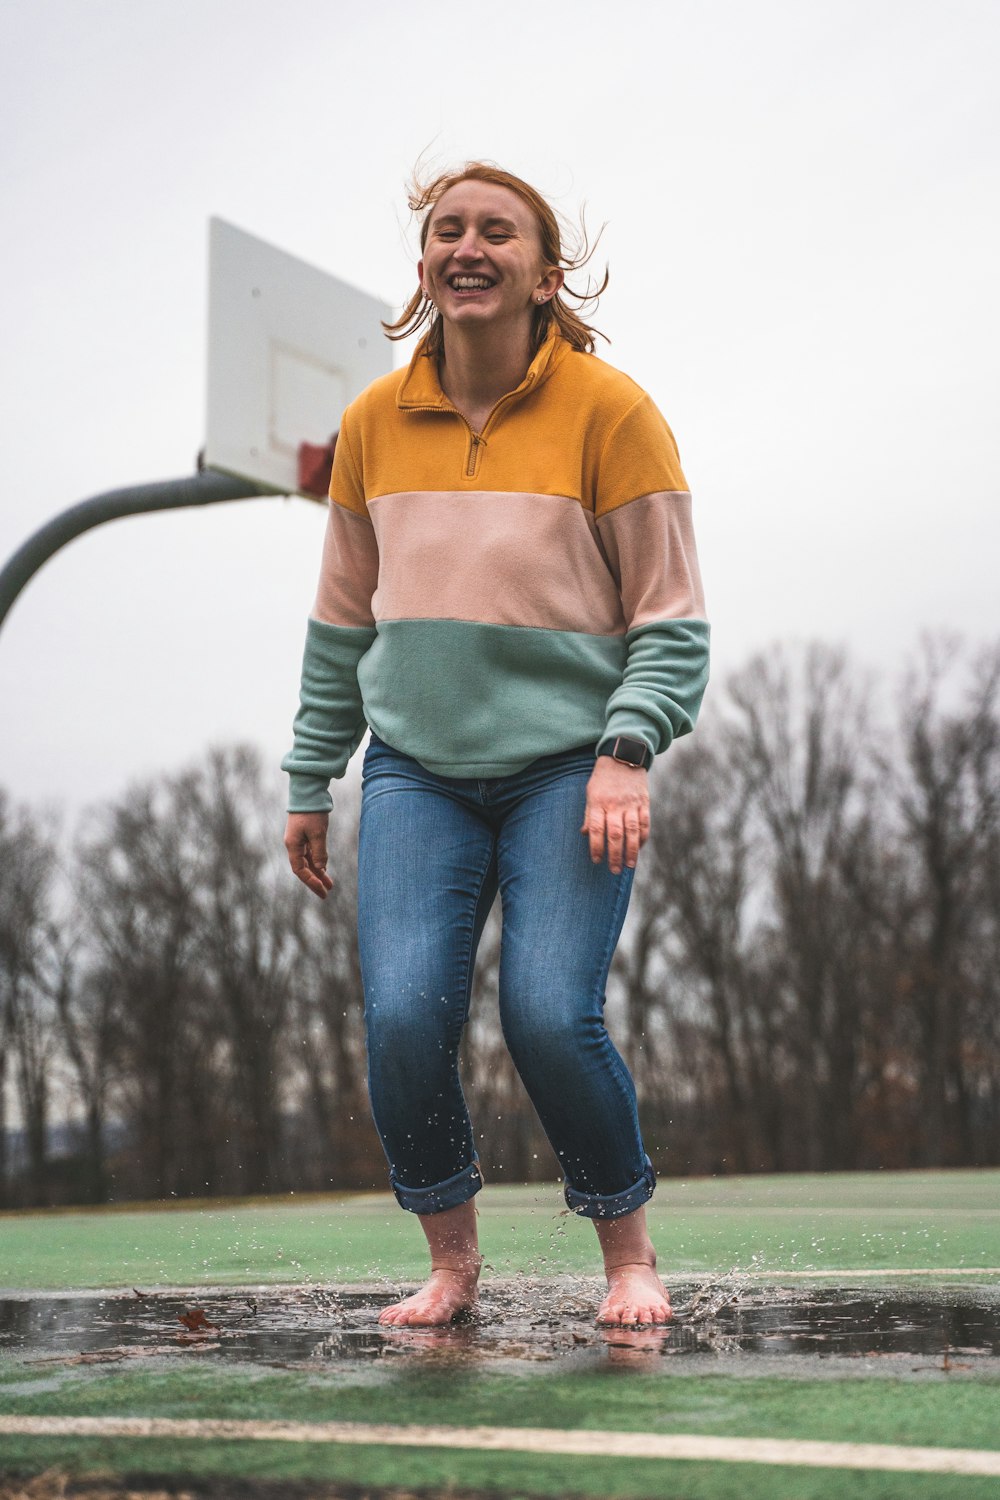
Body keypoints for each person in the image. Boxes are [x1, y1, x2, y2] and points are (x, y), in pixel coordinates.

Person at [282, 162, 709, 1328]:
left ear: (544, 272)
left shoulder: (610, 413)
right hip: (418, 769)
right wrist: (310, 774)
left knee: (544, 1011)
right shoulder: (372, 422)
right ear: (423, 267)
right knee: (408, 1014)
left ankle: (626, 1254)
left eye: (495, 232)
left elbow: (671, 621)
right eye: (445, 231)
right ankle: (452, 1265)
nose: (467, 247)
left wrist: (628, 746)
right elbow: (339, 622)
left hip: (570, 764)